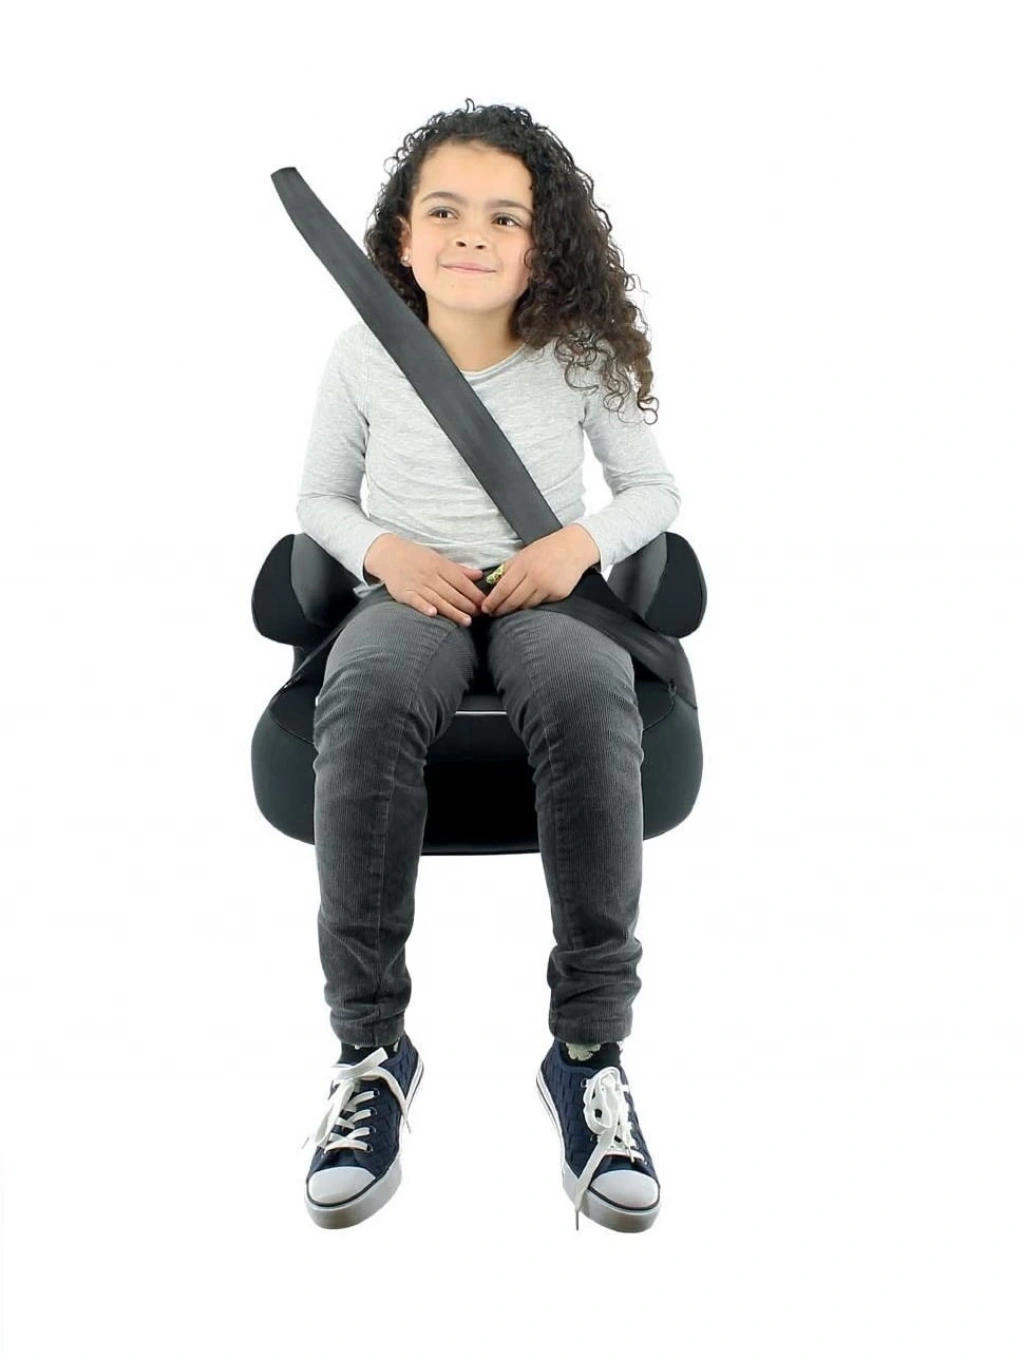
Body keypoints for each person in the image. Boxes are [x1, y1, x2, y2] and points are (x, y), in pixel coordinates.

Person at [296, 99, 680, 1233]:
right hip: (409, 595)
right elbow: (319, 498)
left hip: (539, 592)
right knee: (365, 693)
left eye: (504, 217)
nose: (472, 233)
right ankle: (370, 1050)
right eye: (446, 212)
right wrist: (386, 552)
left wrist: (576, 545)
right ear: (402, 237)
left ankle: (587, 1050)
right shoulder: (363, 354)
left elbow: (653, 490)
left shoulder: (577, 357)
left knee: (587, 690)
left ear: (540, 246)